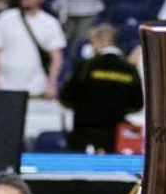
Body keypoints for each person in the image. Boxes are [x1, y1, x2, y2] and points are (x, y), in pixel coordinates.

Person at [59, 24, 142, 153]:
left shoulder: (86, 66)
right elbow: (137, 104)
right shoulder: (129, 69)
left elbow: (66, 98)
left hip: (85, 136)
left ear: (97, 41)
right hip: (115, 138)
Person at [0, 0, 63, 98]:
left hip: (36, 88)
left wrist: (51, 84)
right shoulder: (6, 18)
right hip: (4, 87)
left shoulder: (50, 23)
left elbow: (56, 57)